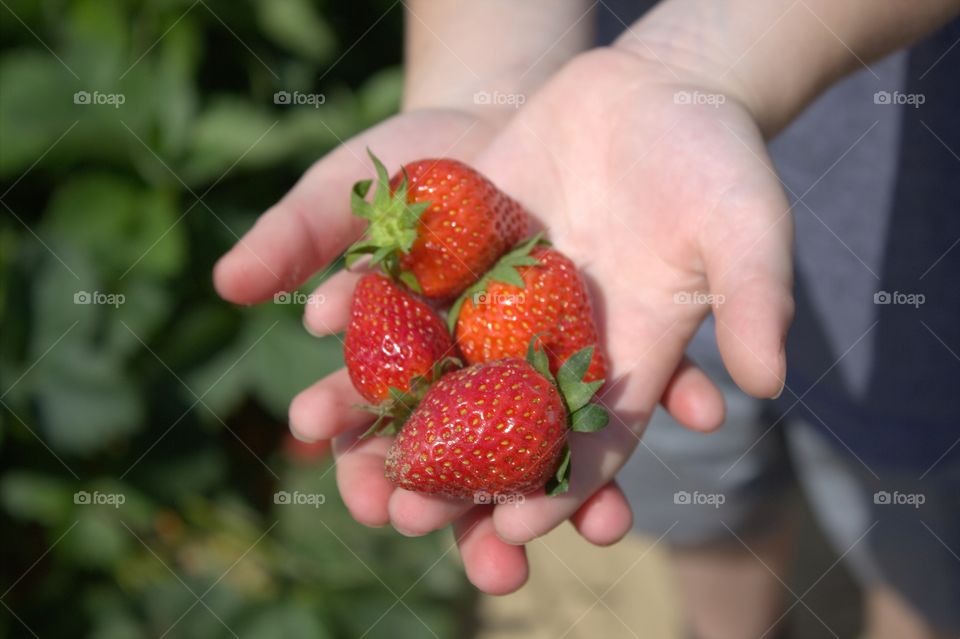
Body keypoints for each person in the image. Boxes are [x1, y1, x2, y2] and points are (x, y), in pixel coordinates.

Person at [214, 2, 960, 637]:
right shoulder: (571, 320)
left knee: (910, 529)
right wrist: (487, 83)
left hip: (902, 235)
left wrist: (700, 63)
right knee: (704, 499)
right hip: (635, 238)